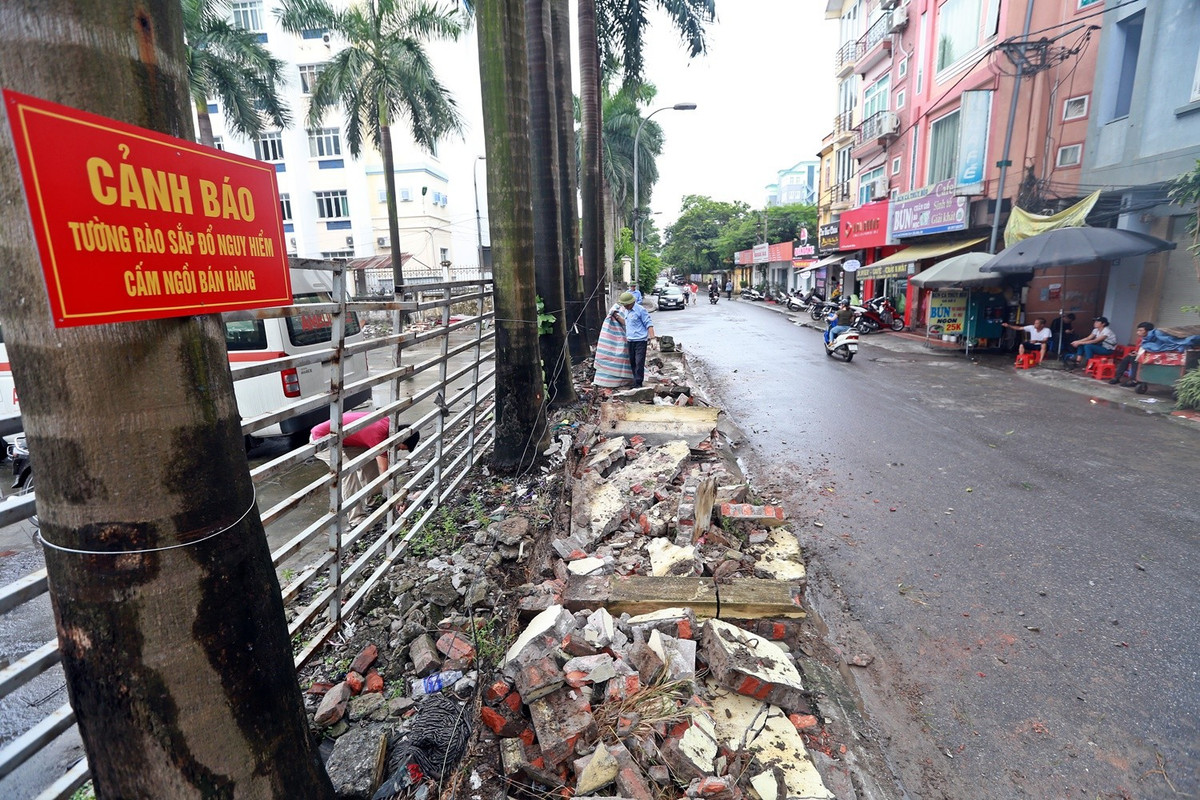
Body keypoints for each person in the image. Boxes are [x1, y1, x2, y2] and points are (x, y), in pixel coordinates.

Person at [311, 411, 420, 527]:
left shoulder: (388, 426)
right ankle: (356, 518)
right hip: (323, 439)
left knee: (370, 461)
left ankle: (374, 500)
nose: (397, 451)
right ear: (401, 439)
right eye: (400, 448)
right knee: (348, 472)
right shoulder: (378, 436)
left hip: (346, 438)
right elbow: (386, 474)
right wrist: (398, 498)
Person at [618, 291, 655, 388]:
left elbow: (649, 324)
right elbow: (627, 323)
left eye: (626, 305)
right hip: (630, 341)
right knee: (632, 362)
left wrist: (653, 338)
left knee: (639, 362)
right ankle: (635, 381)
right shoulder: (626, 311)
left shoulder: (640, 310)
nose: (625, 307)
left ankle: (638, 383)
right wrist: (617, 317)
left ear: (631, 303)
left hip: (640, 341)